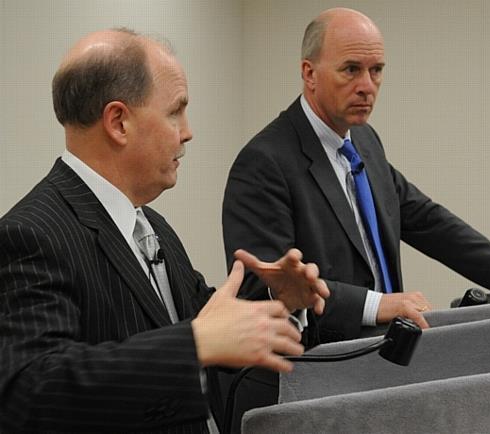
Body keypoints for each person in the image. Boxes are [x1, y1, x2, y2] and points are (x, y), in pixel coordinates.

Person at [0, 28, 329, 433]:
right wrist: (193, 345)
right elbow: (29, 393)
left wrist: (280, 304)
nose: (187, 131)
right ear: (119, 122)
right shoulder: (29, 234)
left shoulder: (151, 225)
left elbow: (206, 327)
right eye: (175, 111)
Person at [222, 7, 490, 344]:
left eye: (376, 70)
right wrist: (377, 305)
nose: (367, 85)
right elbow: (261, 289)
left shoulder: (363, 139)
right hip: (316, 372)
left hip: (387, 354)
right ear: (309, 73)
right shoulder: (263, 162)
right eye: (351, 69)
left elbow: (426, 220)